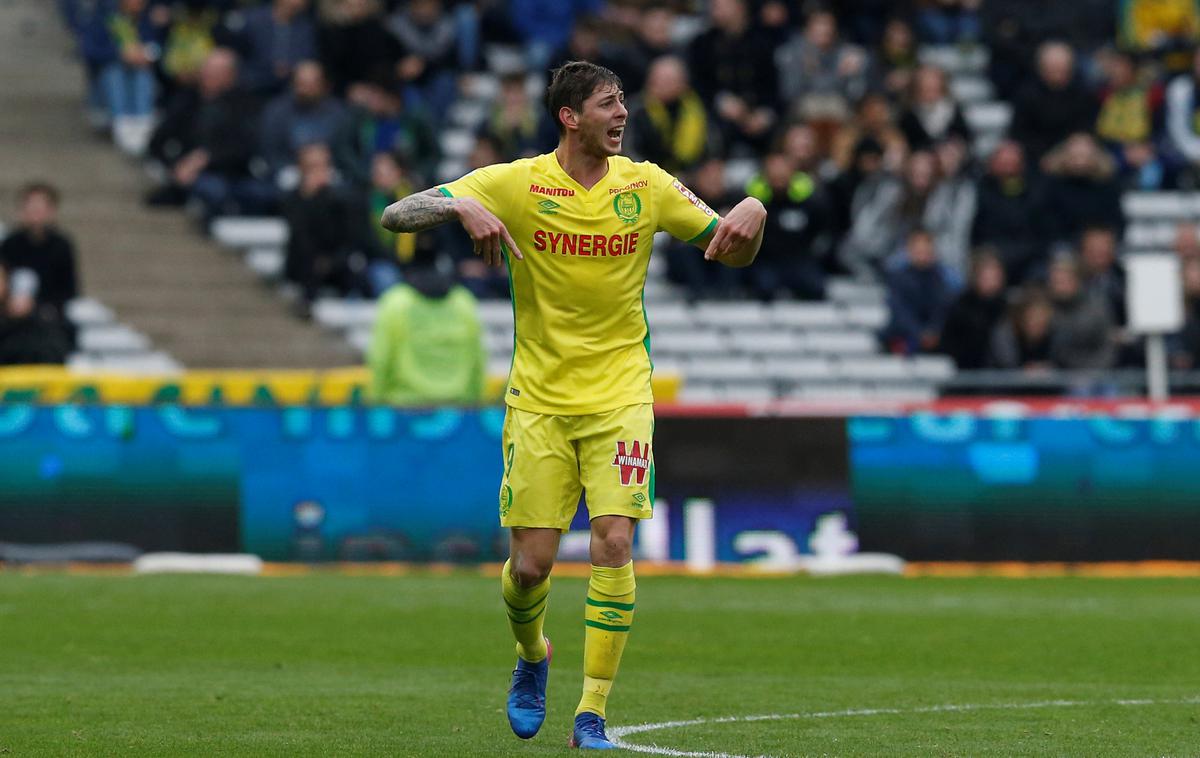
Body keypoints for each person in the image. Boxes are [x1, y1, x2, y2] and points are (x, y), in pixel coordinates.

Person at [380, 60, 766, 749]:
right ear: (570, 116)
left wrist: (754, 213)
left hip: (621, 393)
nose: (622, 115)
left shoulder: (645, 186)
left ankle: (591, 715)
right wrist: (459, 203)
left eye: (623, 103)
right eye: (608, 104)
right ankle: (532, 656)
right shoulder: (518, 183)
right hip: (541, 400)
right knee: (531, 566)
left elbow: (726, 250)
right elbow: (395, 213)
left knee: (613, 541)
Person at [366, 253, 487, 406]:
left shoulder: (395, 302)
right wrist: (476, 406)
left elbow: (381, 359)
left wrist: (375, 404)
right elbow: (478, 360)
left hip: (403, 409)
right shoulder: (463, 301)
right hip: (458, 409)